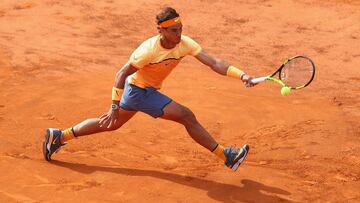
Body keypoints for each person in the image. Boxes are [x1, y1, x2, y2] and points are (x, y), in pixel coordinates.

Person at [43, 7, 255, 171]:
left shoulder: (185, 43)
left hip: (143, 91)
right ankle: (227, 156)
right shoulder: (148, 50)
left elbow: (214, 62)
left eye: (180, 29)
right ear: (160, 30)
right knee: (186, 116)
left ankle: (60, 136)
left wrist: (242, 75)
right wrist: (114, 105)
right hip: (139, 91)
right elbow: (121, 74)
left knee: (111, 125)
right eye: (173, 31)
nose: (178, 34)